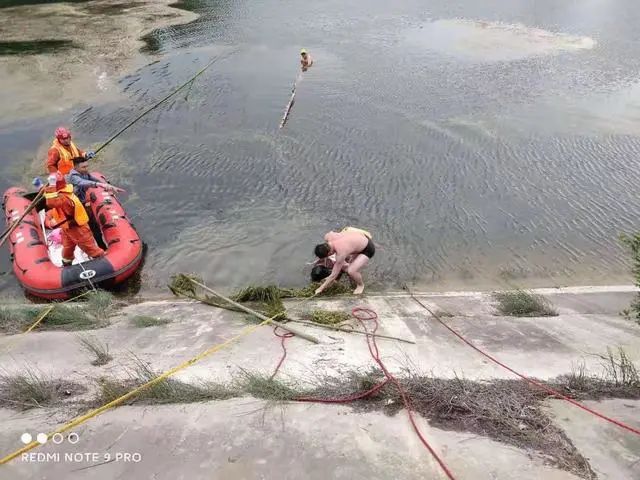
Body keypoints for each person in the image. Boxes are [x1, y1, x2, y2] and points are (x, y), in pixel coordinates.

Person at [44, 172, 104, 266]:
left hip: (77, 228)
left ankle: (103, 260)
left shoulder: (63, 197)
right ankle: (67, 263)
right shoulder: (65, 191)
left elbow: (51, 203)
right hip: (67, 228)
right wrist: (43, 187)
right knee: (68, 247)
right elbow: (52, 199)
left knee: (89, 247)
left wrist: (51, 185)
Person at [313, 227, 375, 295]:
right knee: (348, 265)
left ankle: (360, 285)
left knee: (351, 270)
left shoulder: (341, 253)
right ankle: (353, 278)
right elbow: (330, 233)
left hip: (367, 248)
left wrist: (321, 288)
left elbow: (334, 275)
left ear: (329, 253)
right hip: (359, 238)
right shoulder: (329, 237)